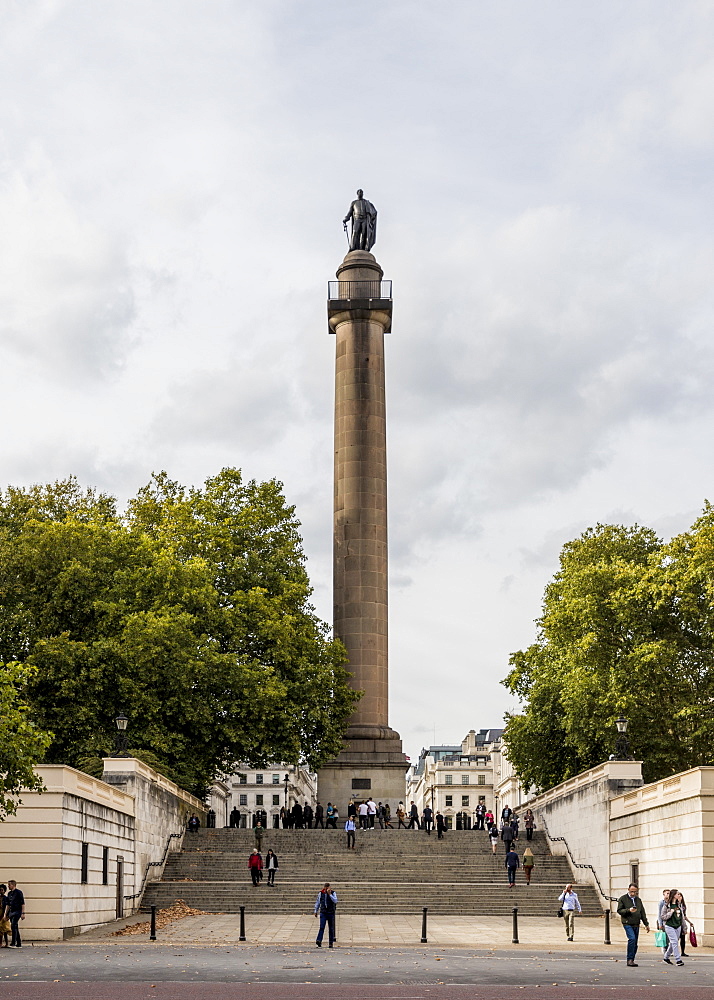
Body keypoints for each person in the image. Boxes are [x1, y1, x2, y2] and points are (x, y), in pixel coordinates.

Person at [617, 882, 650, 966]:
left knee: (635, 942)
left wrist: (646, 924)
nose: (633, 893)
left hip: (636, 923)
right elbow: (619, 910)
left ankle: (632, 958)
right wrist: (628, 910)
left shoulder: (638, 900)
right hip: (627, 922)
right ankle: (629, 959)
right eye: (631, 891)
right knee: (632, 939)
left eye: (635, 892)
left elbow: (642, 912)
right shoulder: (623, 899)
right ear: (628, 890)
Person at [660, 889, 686, 966]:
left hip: (677, 926)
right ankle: (678, 960)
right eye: (678, 894)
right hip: (669, 925)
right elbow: (663, 916)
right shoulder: (666, 905)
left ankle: (666, 957)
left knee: (673, 943)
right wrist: (670, 912)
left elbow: (682, 917)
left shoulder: (679, 905)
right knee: (674, 942)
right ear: (674, 895)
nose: (679, 895)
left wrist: (684, 928)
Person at [314, 882, 338, 948]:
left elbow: (335, 901)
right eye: (326, 888)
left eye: (328, 888)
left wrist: (330, 894)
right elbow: (318, 902)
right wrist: (316, 910)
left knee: (331, 928)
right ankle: (319, 940)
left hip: (330, 912)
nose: (327, 889)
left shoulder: (333, 893)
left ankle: (330, 942)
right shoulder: (321, 893)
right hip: (323, 912)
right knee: (322, 927)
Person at [4, 881, 24, 948]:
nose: (8, 886)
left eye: (9, 885)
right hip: (11, 912)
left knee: (13, 925)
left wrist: (23, 913)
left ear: (13, 885)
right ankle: (19, 943)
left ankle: (13, 943)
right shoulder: (9, 894)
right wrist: (6, 914)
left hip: (17, 911)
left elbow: (22, 903)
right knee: (15, 927)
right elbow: (8, 905)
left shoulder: (19, 892)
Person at [677, 891, 690, 957]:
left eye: (680, 895)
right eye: (678, 895)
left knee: (683, 938)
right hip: (676, 923)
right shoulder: (675, 905)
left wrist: (689, 922)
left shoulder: (683, 906)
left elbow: (684, 916)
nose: (679, 897)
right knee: (675, 939)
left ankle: (683, 951)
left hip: (682, 924)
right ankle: (674, 951)